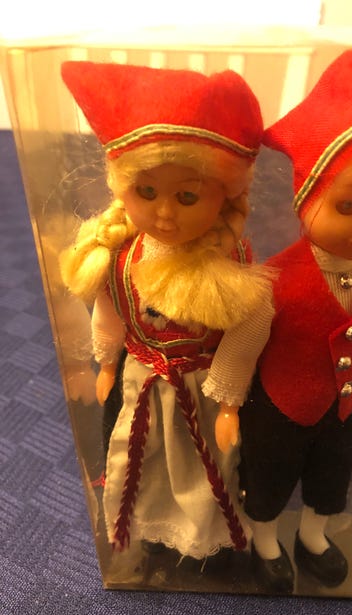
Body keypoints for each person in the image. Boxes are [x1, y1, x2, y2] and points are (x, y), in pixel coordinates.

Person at [203, 49, 352, 593]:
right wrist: (229, 403)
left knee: (332, 475)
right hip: (280, 405)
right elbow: (243, 343)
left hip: (343, 404)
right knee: (269, 477)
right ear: (308, 197)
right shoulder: (277, 280)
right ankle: (265, 541)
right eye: (347, 207)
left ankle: (314, 536)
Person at [59, 61, 270, 566]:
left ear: (225, 194)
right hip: (142, 378)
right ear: (121, 188)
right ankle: (152, 535)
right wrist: (106, 362)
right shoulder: (122, 256)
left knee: (201, 471)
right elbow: (109, 311)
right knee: (144, 462)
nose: (165, 213)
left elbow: (250, 326)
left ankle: (201, 543)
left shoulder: (229, 262)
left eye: (188, 196)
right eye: (146, 192)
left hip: (199, 385)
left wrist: (228, 400)